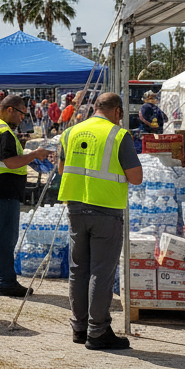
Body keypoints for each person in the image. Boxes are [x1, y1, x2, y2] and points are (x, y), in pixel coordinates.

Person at [57, 92, 143, 350]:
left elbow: (62, 170)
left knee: (78, 269)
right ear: (118, 111)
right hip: (105, 209)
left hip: (75, 207)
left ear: (95, 107)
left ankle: (80, 327)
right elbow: (136, 177)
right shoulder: (118, 135)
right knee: (101, 273)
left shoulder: (71, 132)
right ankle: (98, 331)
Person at [0, 95, 52, 297]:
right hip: (2, 191)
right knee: (5, 239)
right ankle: (6, 282)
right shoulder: (3, 131)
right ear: (10, 110)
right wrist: (34, 155)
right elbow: (10, 162)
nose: (22, 119)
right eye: (21, 114)